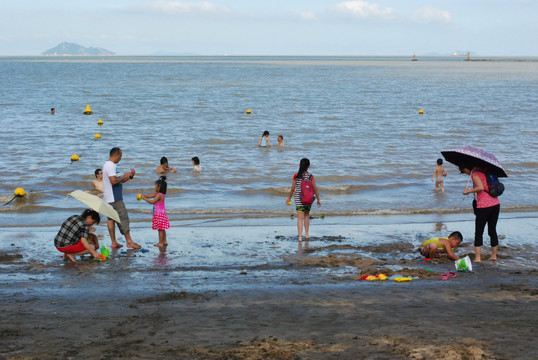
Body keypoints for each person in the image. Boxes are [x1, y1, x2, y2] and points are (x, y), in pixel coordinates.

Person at [102, 147, 141, 250]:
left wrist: (129, 177)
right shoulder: (110, 166)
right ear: (115, 155)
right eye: (120, 156)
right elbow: (114, 181)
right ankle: (129, 241)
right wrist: (124, 176)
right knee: (123, 218)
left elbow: (119, 181)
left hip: (108, 197)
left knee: (111, 219)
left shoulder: (108, 165)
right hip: (114, 198)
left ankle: (114, 242)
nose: (120, 158)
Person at [460, 165, 500, 262]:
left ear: (466, 168)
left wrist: (468, 191)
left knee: (478, 232)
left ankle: (478, 258)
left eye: (463, 171)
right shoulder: (484, 171)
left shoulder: (474, 174)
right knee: (492, 231)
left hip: (484, 206)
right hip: (495, 204)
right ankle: (494, 256)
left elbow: (481, 188)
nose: (465, 173)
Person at [286, 158, 321, 242]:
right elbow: (315, 189)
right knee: (306, 216)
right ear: (308, 166)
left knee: (299, 218)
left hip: (299, 199)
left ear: (299, 165)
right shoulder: (310, 176)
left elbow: (292, 189)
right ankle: (306, 234)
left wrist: (289, 198)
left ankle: (300, 238)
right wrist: (318, 199)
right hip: (308, 199)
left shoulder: (296, 176)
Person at [141, 176, 170, 248]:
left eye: (155, 185)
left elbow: (152, 201)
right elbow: (150, 196)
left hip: (159, 214)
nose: (154, 187)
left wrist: (144, 199)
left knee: (160, 229)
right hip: (162, 214)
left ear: (159, 186)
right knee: (162, 228)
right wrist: (143, 196)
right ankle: (164, 241)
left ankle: (160, 242)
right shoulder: (159, 194)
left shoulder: (159, 195)